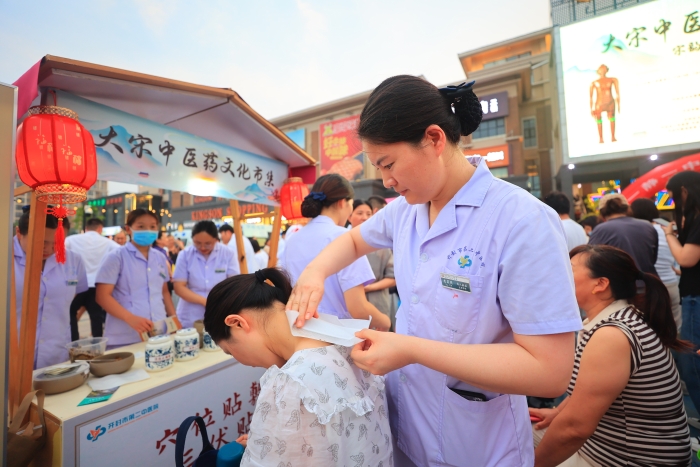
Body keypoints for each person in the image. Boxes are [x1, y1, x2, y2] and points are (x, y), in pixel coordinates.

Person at [287, 76, 581, 467]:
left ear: (434, 139)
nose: (386, 181)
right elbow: (354, 241)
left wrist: (409, 349)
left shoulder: (521, 220)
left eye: (389, 164)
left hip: (477, 445)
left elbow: (549, 372)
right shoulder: (406, 209)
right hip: (408, 427)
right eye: (378, 168)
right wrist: (314, 272)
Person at [204, 268, 393, 467]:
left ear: (237, 323)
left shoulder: (291, 382)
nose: (246, 363)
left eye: (230, 351)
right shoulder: (351, 341)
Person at [531, 244, 691, 466]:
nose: (558, 276)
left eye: (568, 269)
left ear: (600, 284)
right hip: (604, 445)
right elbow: (589, 389)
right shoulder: (619, 318)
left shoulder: (612, 335)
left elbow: (574, 429)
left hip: (626, 458)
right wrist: (557, 412)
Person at [283, 175, 391, 330]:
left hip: (299, 330)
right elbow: (358, 307)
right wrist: (385, 322)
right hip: (337, 335)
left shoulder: (292, 239)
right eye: (352, 205)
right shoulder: (344, 238)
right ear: (342, 203)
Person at [14, 207, 88, 368]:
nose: (48, 249)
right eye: (40, 241)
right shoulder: (5, 256)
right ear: (19, 233)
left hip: (56, 351)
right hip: (12, 352)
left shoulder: (73, 260)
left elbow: (75, 294)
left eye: (57, 243)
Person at [96, 209, 176, 348]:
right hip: (125, 334)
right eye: (141, 226)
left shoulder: (160, 257)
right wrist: (130, 318)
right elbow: (102, 296)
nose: (148, 230)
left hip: (159, 329)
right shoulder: (116, 257)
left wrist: (174, 318)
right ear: (128, 229)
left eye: (152, 227)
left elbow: (164, 292)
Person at [663, 172, 700, 425]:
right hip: (691, 294)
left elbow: (687, 258)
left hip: (695, 297)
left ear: (684, 191)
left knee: (690, 361)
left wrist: (669, 236)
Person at [172, 220, 239, 328]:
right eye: (197, 243)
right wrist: (205, 301)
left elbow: (234, 284)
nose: (202, 247)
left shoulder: (227, 253)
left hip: (219, 310)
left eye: (208, 244)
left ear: (216, 239)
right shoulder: (185, 255)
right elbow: (179, 287)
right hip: (190, 314)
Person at [630, 198, 681, 330]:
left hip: (648, 287)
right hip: (671, 283)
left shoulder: (635, 231)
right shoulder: (668, 230)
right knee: (675, 329)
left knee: (647, 330)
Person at [65, 217, 120, 340]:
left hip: (76, 285)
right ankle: (98, 344)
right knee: (96, 317)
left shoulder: (71, 240)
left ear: (86, 229)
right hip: (96, 285)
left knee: (71, 314)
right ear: (100, 229)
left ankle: (74, 342)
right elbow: (120, 252)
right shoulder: (108, 243)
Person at [348, 200, 397, 329]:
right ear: (349, 216)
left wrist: (369, 287)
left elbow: (392, 278)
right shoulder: (343, 244)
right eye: (359, 213)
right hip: (350, 308)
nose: (364, 217)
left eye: (368, 214)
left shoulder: (381, 245)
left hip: (378, 303)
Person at [588, 193, 658, 275]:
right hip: (649, 282)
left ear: (602, 212)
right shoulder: (647, 225)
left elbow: (590, 259)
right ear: (628, 209)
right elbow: (653, 258)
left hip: (620, 284)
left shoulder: (601, 229)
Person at [590, 64, 620, 144]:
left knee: (612, 119)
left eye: (604, 69)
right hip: (599, 104)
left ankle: (613, 137)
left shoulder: (613, 80)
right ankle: (601, 138)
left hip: (610, 103)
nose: (602, 71)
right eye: (600, 69)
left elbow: (617, 93)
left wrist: (619, 105)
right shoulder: (594, 83)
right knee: (599, 120)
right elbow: (591, 97)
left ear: (606, 70)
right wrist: (591, 109)